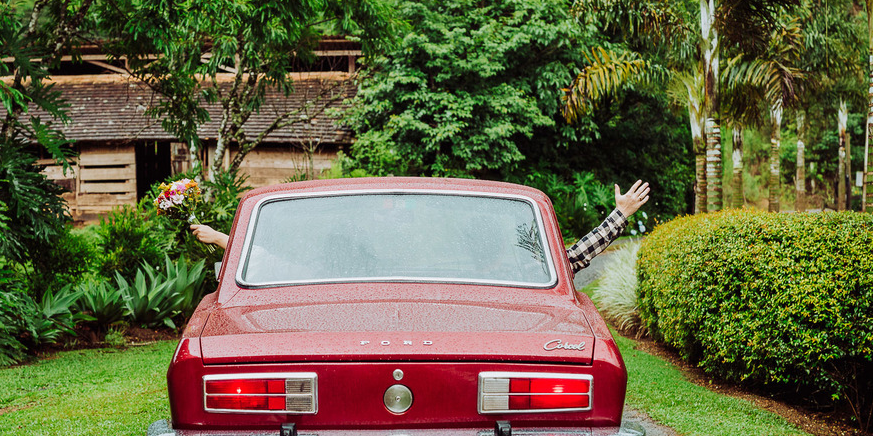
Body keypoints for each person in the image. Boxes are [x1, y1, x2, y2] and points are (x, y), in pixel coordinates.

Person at [189, 179, 652, 276]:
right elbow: (289, 263)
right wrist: (222, 239)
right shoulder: (532, 266)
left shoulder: (531, 267)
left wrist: (621, 214)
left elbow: (284, 261)